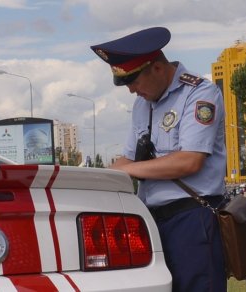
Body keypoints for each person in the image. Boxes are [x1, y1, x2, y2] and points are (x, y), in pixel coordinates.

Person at [91, 27, 227, 292]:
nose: (131, 90)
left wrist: (130, 169)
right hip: (150, 220)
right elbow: (127, 159)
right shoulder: (144, 104)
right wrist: (97, 180)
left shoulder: (199, 94)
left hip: (191, 218)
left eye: (133, 80)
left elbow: (189, 161)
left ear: (156, 68)